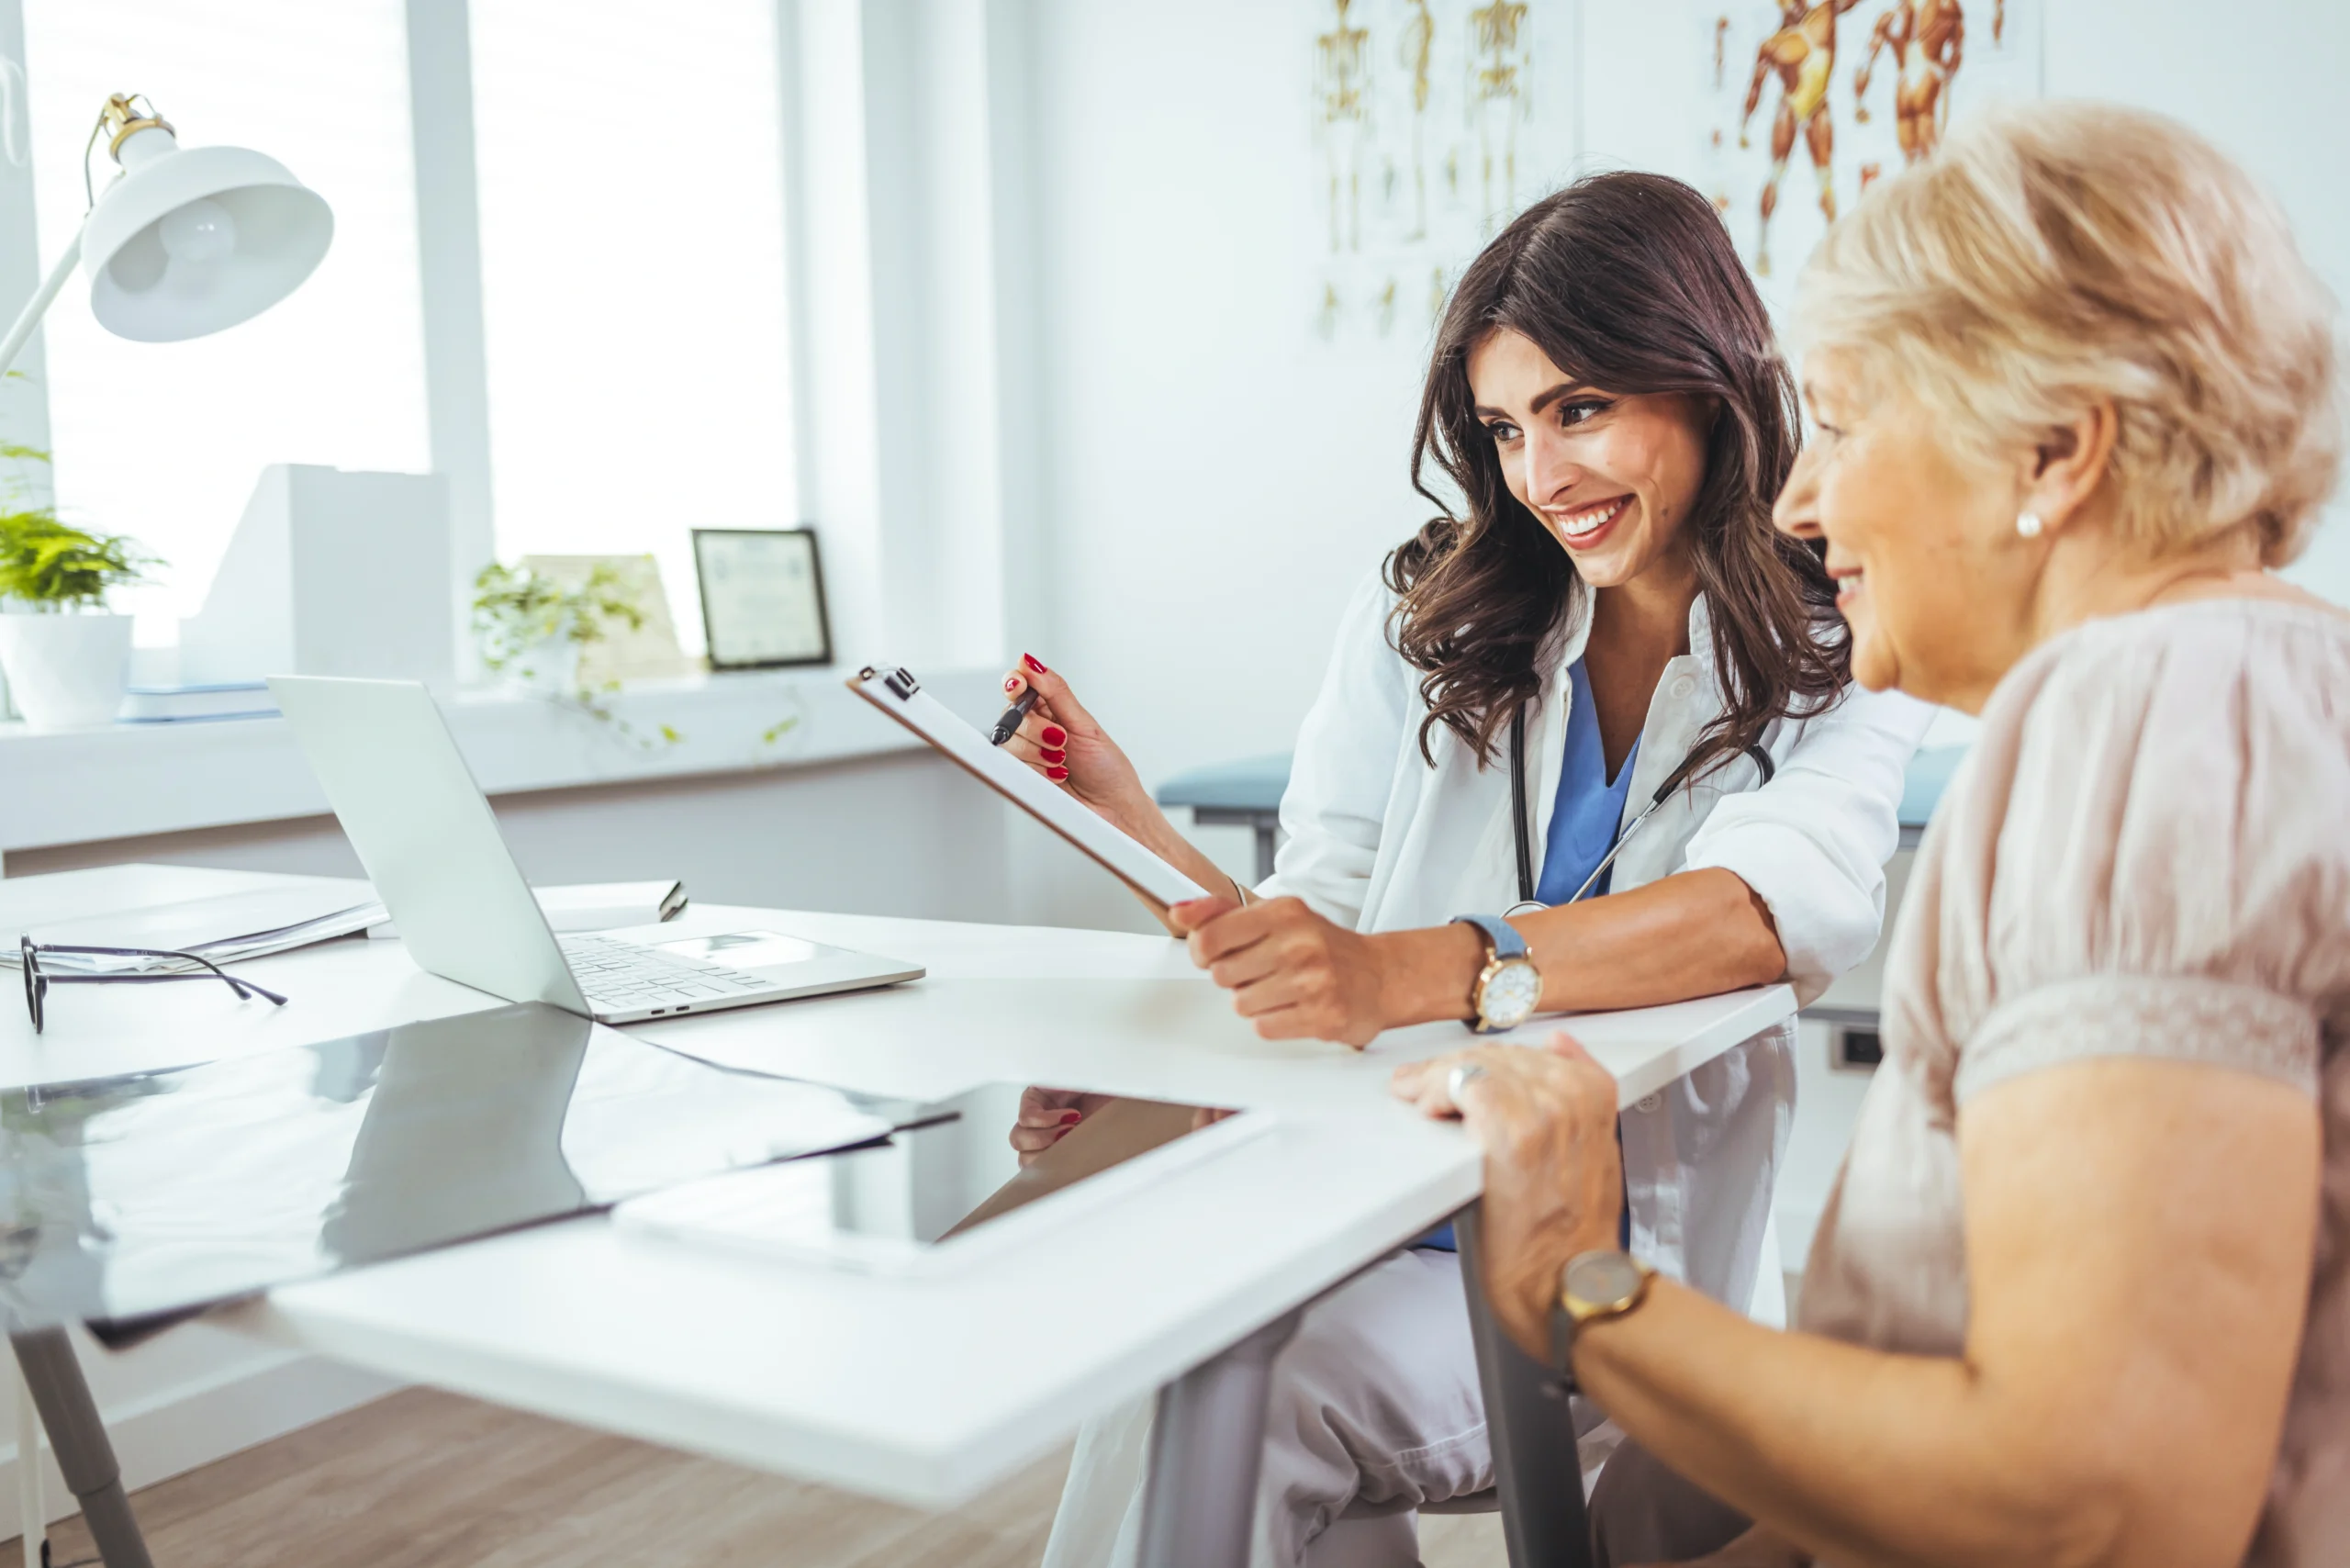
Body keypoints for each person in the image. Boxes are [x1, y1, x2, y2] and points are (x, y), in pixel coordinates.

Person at [1396, 102, 2346, 1567]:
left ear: (2051, 453)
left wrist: (1584, 1284)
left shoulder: (2143, 716)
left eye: (1843, 422)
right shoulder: (2279, 675)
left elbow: (2100, 1509)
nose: (1801, 495)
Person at [1005, 172, 1930, 1566]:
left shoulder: (1842, 635)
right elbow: (1322, 911)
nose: (1540, 476)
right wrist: (1133, 836)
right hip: (1360, 1202)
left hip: (1608, 1269)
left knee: (1241, 1395)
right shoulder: (1429, 616)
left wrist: (1408, 972)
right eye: (1504, 428)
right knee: (1201, 1349)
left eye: (1580, 409)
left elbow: (1775, 908)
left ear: (1709, 382)